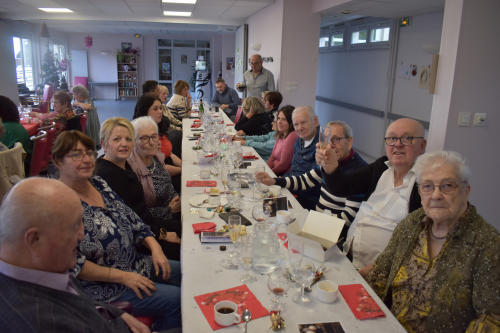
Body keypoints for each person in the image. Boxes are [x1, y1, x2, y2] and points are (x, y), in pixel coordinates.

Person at [52, 130, 181, 331]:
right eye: (76, 154)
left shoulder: (98, 183)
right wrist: (123, 277)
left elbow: (133, 219)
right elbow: (73, 265)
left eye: (89, 153)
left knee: (188, 272)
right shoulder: (58, 203)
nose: (87, 160)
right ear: (58, 161)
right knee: (177, 299)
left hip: (135, 263)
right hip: (106, 287)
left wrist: (156, 248)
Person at [366, 151, 500, 333]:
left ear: (465, 192)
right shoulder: (412, 223)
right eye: (427, 186)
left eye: (447, 185)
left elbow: (492, 319)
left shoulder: (488, 244)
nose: (436, 195)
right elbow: (380, 274)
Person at [0, 178, 157, 333]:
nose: (82, 235)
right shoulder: (41, 323)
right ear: (35, 240)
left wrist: (119, 314)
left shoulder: (42, 265)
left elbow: (80, 300)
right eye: (74, 226)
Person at [316, 118, 427, 270]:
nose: (398, 144)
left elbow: (421, 246)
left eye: (407, 138)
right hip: (346, 258)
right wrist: (330, 165)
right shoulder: (381, 167)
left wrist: (381, 269)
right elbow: (344, 187)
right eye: (392, 138)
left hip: (381, 275)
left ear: (422, 146)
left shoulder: (426, 184)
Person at [96, 117, 181, 261]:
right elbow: (128, 221)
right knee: (186, 250)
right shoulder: (109, 174)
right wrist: (163, 234)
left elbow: (138, 211)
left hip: (147, 222)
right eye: (117, 139)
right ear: (104, 144)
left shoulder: (121, 163)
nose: (124, 144)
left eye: (128, 139)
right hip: (137, 240)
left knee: (189, 228)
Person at [257, 120, 367, 218]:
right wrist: (274, 181)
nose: (330, 146)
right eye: (327, 140)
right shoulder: (328, 161)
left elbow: (349, 217)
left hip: (331, 228)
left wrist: (315, 222)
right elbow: (305, 180)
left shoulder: (360, 171)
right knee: (265, 210)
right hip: (316, 216)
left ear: (349, 142)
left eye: (336, 139)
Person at [128, 117, 181, 222]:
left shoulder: (155, 156)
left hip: (177, 206)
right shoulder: (131, 170)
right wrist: (168, 210)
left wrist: (178, 200)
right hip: (159, 222)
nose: (152, 142)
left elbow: (167, 183)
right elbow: (135, 212)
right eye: (144, 138)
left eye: (154, 137)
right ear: (134, 142)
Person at [133, 93, 181, 193]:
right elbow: (157, 168)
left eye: (160, 108)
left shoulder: (158, 126)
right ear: (145, 111)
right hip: (162, 178)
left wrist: (185, 165)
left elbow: (169, 154)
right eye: (155, 109)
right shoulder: (139, 133)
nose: (160, 111)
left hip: (171, 170)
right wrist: (183, 170)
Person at [283, 106, 320, 210]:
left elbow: (313, 184)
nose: (299, 128)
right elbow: (293, 170)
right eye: (296, 124)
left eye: (303, 122)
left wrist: (284, 183)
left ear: (315, 121)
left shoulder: (322, 145)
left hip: (310, 200)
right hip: (293, 189)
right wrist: (280, 179)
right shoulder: (300, 141)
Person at [266, 105, 298, 176]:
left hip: (283, 175)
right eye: (279, 118)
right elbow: (272, 157)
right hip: (275, 172)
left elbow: (283, 165)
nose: (279, 122)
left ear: (291, 122)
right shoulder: (282, 133)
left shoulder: (292, 136)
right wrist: (265, 171)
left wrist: (268, 175)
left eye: (284, 119)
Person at [72, 83, 101, 150]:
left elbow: (88, 107)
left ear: (80, 94)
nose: (74, 97)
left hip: (83, 125)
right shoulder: (82, 101)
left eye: (75, 95)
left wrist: (77, 103)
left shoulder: (88, 100)